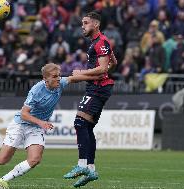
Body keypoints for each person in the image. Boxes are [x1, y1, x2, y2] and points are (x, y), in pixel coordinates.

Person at [0, 63, 102, 189]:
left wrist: (96, 75)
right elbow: (24, 114)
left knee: (35, 159)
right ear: (45, 79)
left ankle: (3, 181)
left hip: (35, 128)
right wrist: (41, 122)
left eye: (59, 75)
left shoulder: (60, 83)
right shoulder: (36, 91)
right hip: (20, 125)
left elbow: (73, 78)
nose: (58, 79)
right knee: (2, 159)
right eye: (54, 76)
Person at [63, 11, 117, 188]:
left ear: (96, 24)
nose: (83, 26)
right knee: (87, 126)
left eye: (86, 23)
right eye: (82, 23)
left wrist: (82, 73)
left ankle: (81, 166)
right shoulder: (98, 42)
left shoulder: (101, 42)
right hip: (96, 86)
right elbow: (113, 63)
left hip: (98, 88)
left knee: (79, 123)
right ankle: (91, 169)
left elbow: (102, 69)